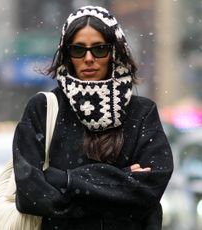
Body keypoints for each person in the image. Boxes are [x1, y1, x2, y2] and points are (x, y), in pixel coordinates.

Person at [13, 5, 173, 230]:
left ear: (114, 52)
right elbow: (30, 194)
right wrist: (119, 182)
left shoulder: (142, 112)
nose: (88, 58)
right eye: (78, 50)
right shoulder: (43, 108)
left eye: (99, 49)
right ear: (67, 54)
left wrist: (64, 180)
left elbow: (150, 189)